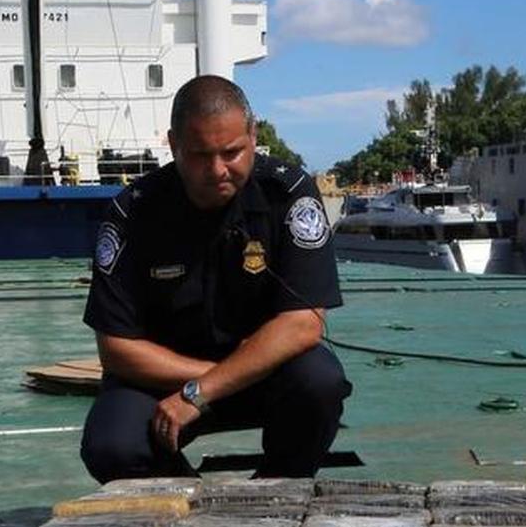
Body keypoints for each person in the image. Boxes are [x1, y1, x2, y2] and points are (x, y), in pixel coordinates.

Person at [81, 75, 350, 481]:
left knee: (319, 382)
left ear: (253, 136)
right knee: (111, 446)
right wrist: (207, 379)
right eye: (199, 155)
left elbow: (303, 325)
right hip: (167, 381)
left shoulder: (288, 192)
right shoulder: (133, 213)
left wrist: (206, 389)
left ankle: (278, 493)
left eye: (232, 152)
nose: (217, 170)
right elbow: (117, 349)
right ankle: (189, 500)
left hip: (261, 375)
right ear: (173, 146)